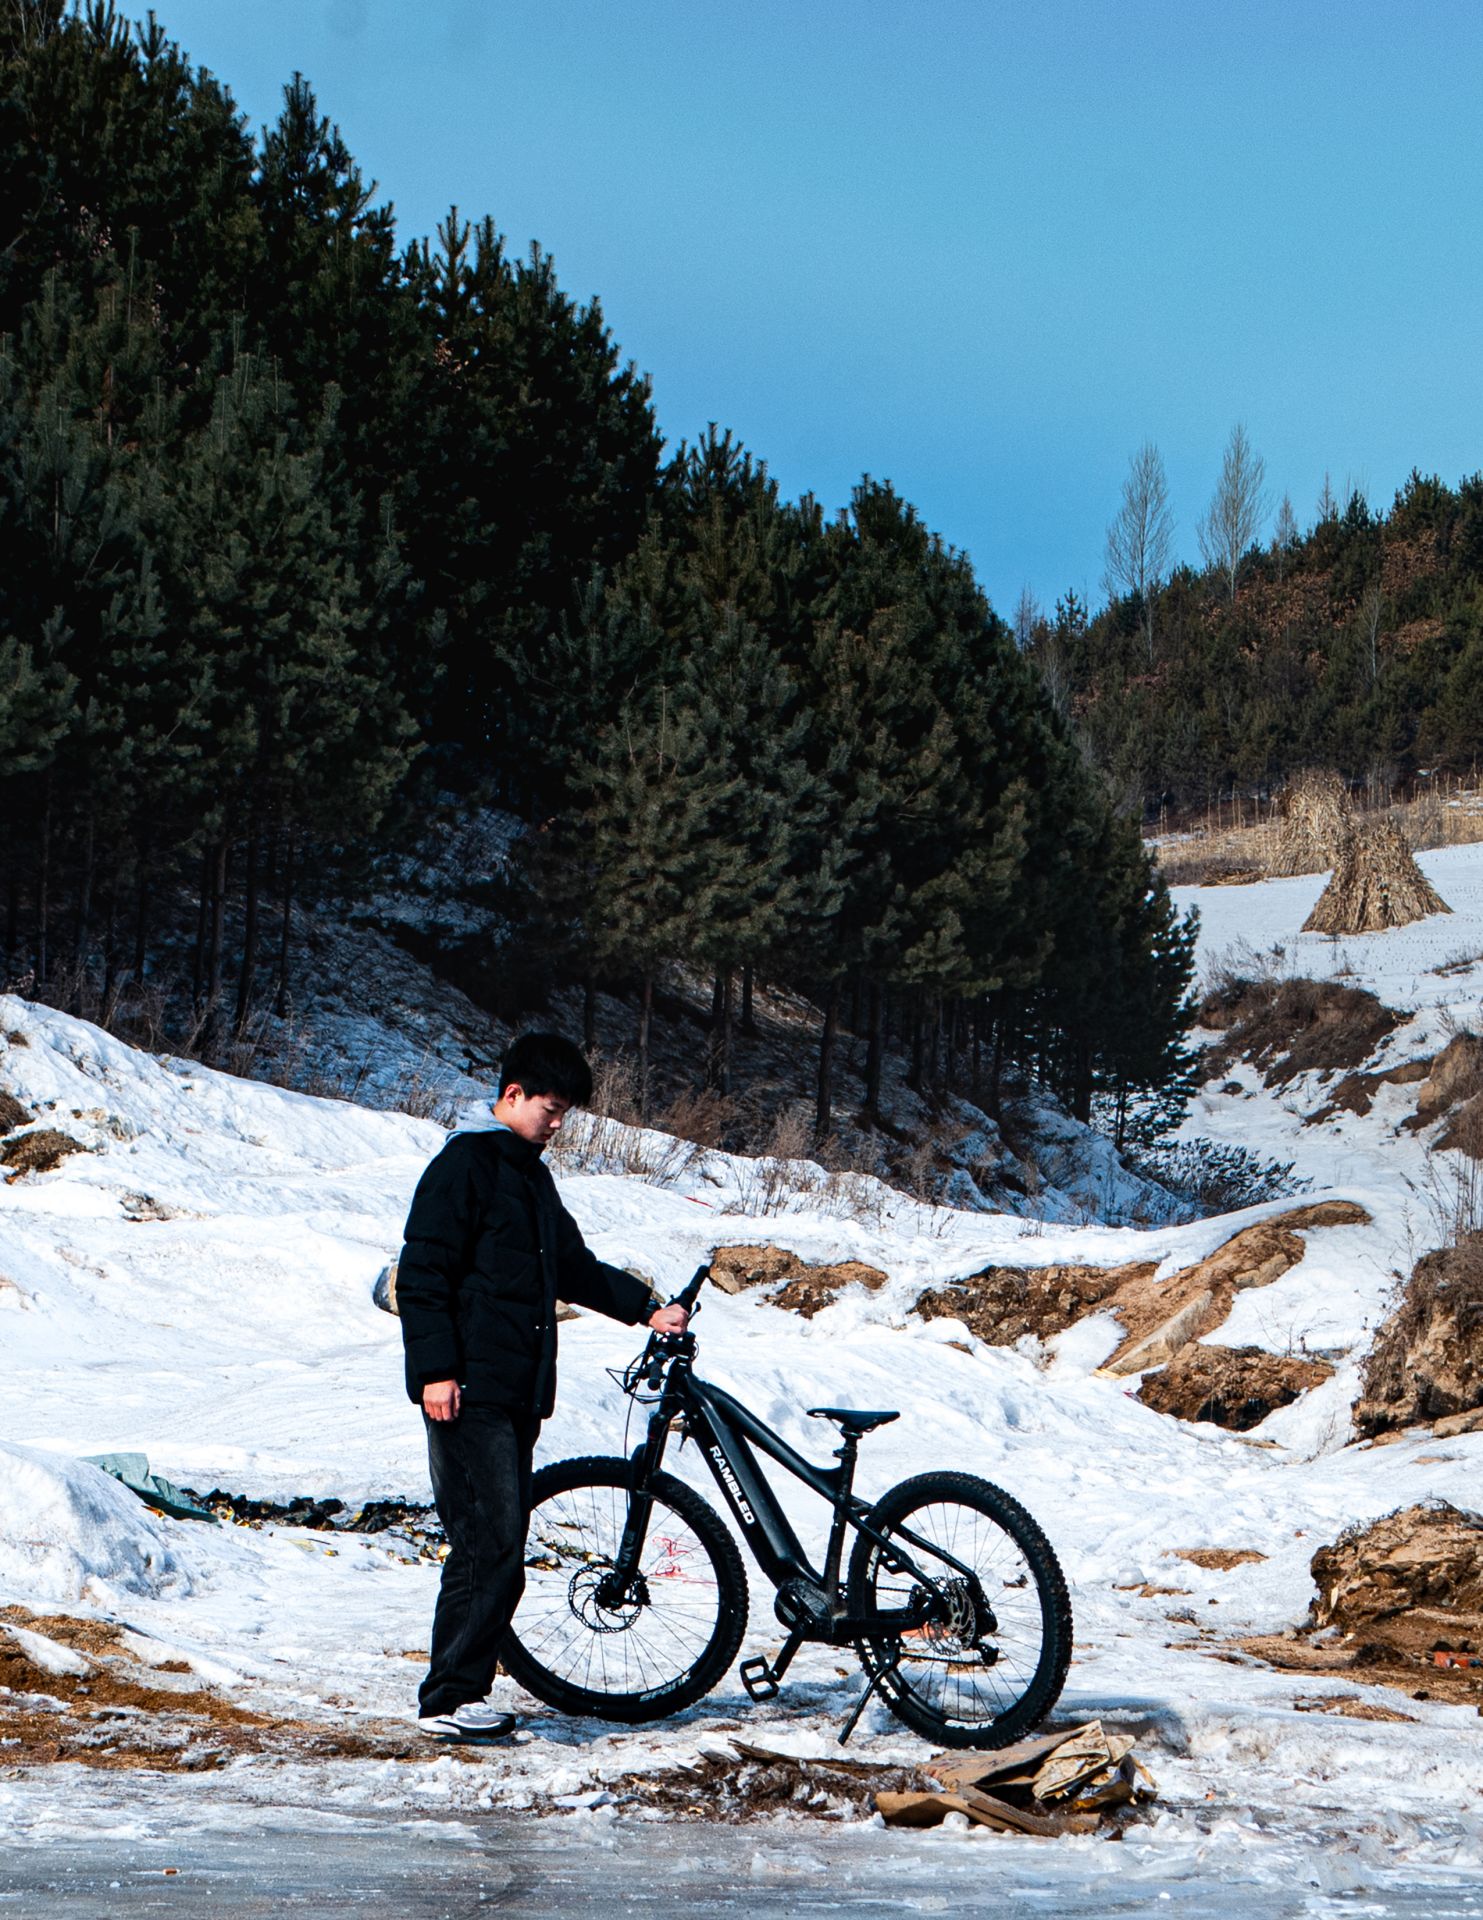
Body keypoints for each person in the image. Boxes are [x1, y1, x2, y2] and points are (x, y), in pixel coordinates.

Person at [395, 1031, 689, 1742]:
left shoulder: (529, 1176)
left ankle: (459, 1689)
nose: (556, 1126)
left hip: (515, 1392)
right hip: (466, 1390)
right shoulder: (464, 1164)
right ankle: (449, 1698)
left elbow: (573, 1266)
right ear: (512, 1094)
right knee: (486, 1540)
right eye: (549, 1110)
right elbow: (423, 1273)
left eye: (565, 1116)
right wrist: (434, 1372)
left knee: (495, 1538)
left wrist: (646, 1307)